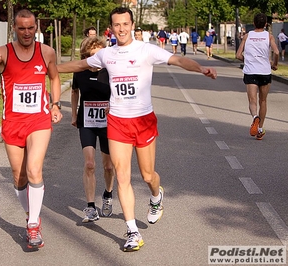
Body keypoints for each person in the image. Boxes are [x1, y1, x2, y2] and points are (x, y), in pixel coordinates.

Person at [57, 7, 217, 252]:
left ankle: (156, 197)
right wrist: (46, 68)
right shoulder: (106, 55)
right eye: (117, 25)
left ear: (132, 25)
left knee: (147, 175)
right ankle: (132, 231)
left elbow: (177, 60)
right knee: (122, 177)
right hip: (118, 122)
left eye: (125, 24)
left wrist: (201, 68)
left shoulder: (146, 50)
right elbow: (78, 65)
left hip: (143, 121)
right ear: (111, 28)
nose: (121, 29)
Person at [0, 8, 63, 249]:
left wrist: (55, 104)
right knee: (19, 176)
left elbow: (54, 78)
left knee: (34, 169)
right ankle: (31, 215)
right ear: (14, 28)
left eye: (30, 28)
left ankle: (33, 225)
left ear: (37, 27)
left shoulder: (47, 52)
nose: (26, 32)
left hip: (39, 121)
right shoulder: (3, 52)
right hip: (12, 123)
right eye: (21, 28)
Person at [71, 37, 116, 223]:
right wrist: (73, 115)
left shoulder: (110, 72)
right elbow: (74, 92)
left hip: (107, 123)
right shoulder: (80, 72)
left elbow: (117, 93)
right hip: (87, 122)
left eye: (100, 52)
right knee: (90, 164)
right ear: (86, 54)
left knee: (108, 165)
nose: (97, 55)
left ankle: (108, 194)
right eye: (93, 52)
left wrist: (113, 108)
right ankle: (90, 207)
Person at [236, 13, 279, 140]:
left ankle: (255, 117)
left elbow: (238, 55)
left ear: (254, 23)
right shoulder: (269, 36)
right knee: (263, 101)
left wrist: (248, 60)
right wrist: (274, 64)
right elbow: (276, 51)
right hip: (265, 72)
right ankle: (260, 128)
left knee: (252, 101)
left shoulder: (247, 36)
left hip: (251, 72)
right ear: (266, 24)